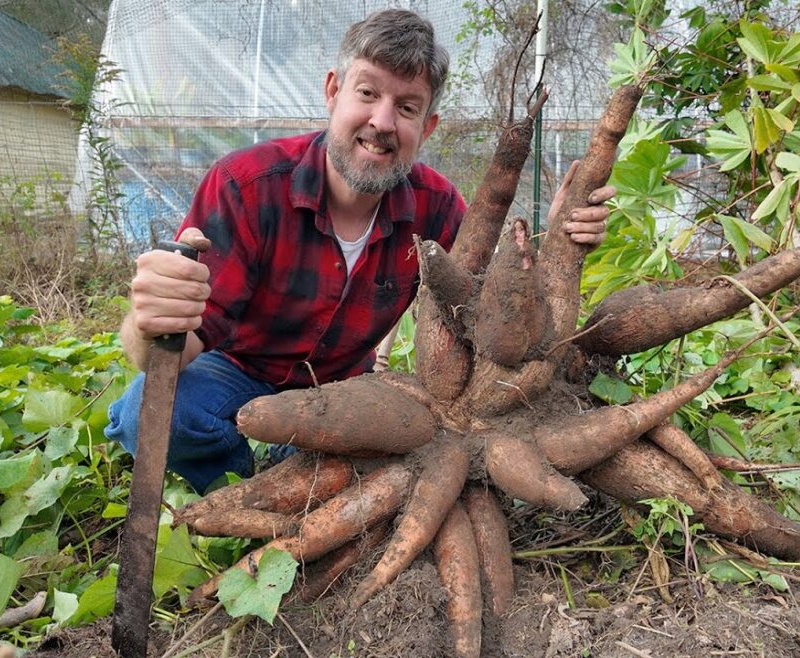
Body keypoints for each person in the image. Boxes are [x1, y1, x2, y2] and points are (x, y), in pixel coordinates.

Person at [105, 9, 614, 493]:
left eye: (407, 107)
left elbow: (486, 316)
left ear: (427, 128)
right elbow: (169, 350)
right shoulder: (246, 186)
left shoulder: (435, 209)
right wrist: (153, 323)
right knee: (147, 413)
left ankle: (309, 468)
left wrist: (553, 250)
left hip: (344, 389)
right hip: (237, 371)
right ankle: (255, 482)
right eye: (367, 93)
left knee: (395, 449)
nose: (383, 121)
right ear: (333, 91)